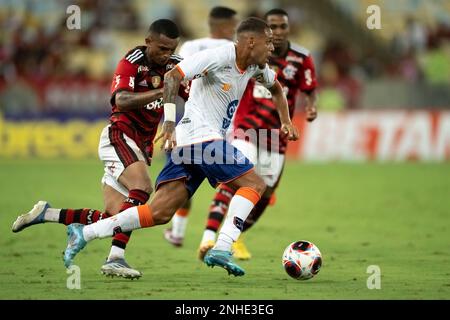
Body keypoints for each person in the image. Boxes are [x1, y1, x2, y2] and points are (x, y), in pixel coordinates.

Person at [61, 17, 299, 277]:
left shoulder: (255, 66)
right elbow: (174, 76)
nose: (272, 48)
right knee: (254, 184)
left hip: (190, 144)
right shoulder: (218, 57)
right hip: (199, 136)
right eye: (268, 42)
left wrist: (285, 121)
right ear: (251, 41)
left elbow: (276, 88)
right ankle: (222, 246)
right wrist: (170, 122)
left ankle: (85, 232)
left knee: (159, 212)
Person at [11, 19, 188, 279]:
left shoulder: (175, 66)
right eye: (161, 48)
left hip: (140, 146)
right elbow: (122, 100)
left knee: (115, 216)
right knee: (143, 188)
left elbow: (195, 91)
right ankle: (115, 258)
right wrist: (163, 91)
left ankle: (46, 213)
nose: (165, 55)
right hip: (119, 135)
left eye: (170, 49)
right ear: (148, 41)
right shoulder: (132, 61)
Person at [168, 8, 318, 260]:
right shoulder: (240, 54)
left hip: (274, 137)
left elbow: (296, 89)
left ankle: (233, 237)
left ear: (288, 29)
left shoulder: (299, 58)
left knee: (265, 192)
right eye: (271, 31)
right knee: (236, 179)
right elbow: (182, 73)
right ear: (257, 37)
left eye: (281, 28)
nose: (276, 35)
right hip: (246, 129)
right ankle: (209, 238)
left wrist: (292, 118)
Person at [163, 6, 238, 247]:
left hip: (186, 122)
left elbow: (175, 84)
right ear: (226, 26)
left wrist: (169, 120)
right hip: (220, 125)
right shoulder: (235, 52)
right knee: (236, 181)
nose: (236, 29)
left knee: (182, 177)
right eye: (234, 25)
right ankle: (224, 238)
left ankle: (179, 230)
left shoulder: (191, 47)